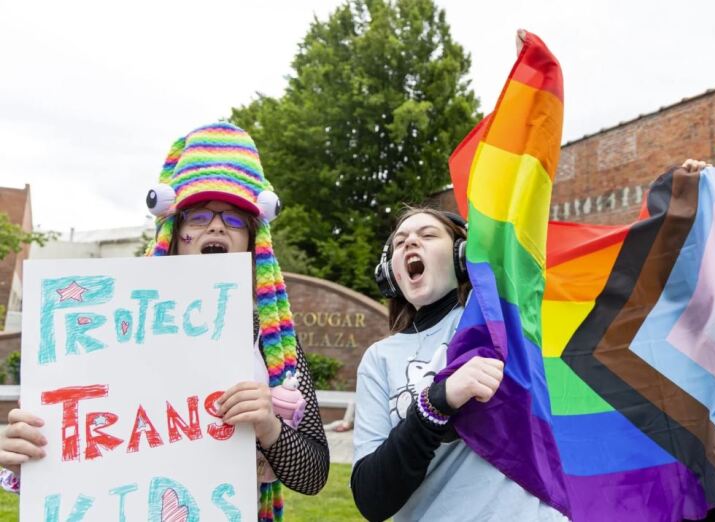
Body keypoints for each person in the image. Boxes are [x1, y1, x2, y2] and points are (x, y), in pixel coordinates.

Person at [0, 122, 329, 521]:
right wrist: (28, 458)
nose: (217, 226)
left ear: (251, 240)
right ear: (173, 233)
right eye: (199, 215)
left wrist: (268, 427)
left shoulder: (274, 347)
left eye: (236, 219)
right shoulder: (107, 331)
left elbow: (314, 476)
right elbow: (82, 452)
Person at [350, 207, 567, 521]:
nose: (410, 243)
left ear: (461, 257)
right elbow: (371, 498)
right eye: (399, 243)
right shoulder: (378, 359)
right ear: (390, 273)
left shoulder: (504, 322)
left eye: (427, 235)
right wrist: (437, 402)